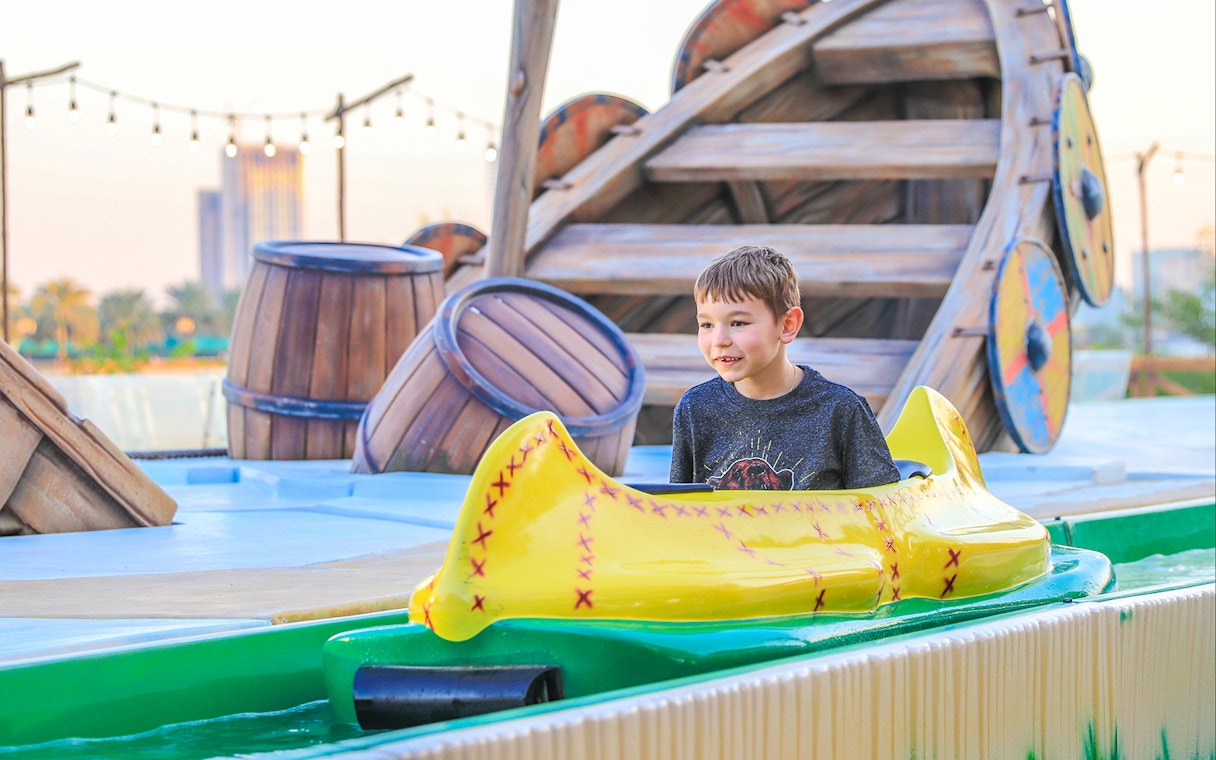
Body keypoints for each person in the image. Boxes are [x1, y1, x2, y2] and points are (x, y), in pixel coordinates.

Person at [669, 245, 900, 490]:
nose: (719, 340)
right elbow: (679, 508)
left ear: (788, 325)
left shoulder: (840, 410)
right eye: (706, 325)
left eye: (738, 322)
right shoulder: (695, 408)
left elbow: (882, 509)